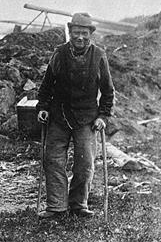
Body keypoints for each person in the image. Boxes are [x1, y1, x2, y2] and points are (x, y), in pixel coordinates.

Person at [36, 13, 114, 219]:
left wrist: (103, 116)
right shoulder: (59, 54)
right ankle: (56, 206)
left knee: (85, 162)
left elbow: (108, 91)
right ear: (70, 33)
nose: (80, 37)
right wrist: (43, 107)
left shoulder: (99, 56)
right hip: (59, 115)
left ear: (91, 35)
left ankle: (78, 204)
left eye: (85, 33)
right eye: (76, 33)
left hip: (87, 118)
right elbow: (46, 85)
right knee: (52, 159)